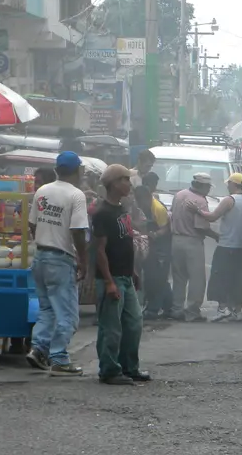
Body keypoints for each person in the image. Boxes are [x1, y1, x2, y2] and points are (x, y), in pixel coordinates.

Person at [26, 152, 89, 377]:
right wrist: (82, 259)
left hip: (41, 256)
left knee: (47, 310)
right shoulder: (76, 195)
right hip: (61, 259)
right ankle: (59, 358)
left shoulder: (43, 191)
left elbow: (32, 224)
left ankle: (39, 349)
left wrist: (45, 240)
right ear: (77, 170)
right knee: (68, 314)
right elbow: (78, 231)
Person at [93, 164, 150, 385]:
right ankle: (108, 370)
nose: (129, 183)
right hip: (112, 278)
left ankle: (129, 366)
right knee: (111, 327)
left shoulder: (122, 209)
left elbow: (125, 243)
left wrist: (132, 270)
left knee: (134, 323)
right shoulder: (102, 213)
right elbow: (99, 250)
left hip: (125, 276)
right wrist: (108, 282)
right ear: (114, 184)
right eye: (124, 179)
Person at [187, 173, 242, 322]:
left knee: (221, 277)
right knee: (238, 279)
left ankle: (222, 309)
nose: (227, 186)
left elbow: (212, 217)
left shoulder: (229, 200)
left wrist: (197, 210)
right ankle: (237, 311)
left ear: (234, 184)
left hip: (226, 245)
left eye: (229, 183)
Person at [169, 173, 219, 322]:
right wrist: (216, 235)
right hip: (192, 241)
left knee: (179, 277)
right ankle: (192, 311)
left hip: (176, 240)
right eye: (208, 187)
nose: (209, 190)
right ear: (202, 186)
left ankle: (177, 309)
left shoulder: (179, 195)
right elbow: (201, 227)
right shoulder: (200, 201)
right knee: (197, 279)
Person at [134, 183, 173, 320]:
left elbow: (166, 228)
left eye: (140, 200)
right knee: (155, 279)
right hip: (150, 248)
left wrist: (154, 235)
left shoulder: (158, 208)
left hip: (161, 249)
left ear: (146, 197)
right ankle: (169, 308)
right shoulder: (143, 207)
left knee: (157, 280)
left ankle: (153, 310)